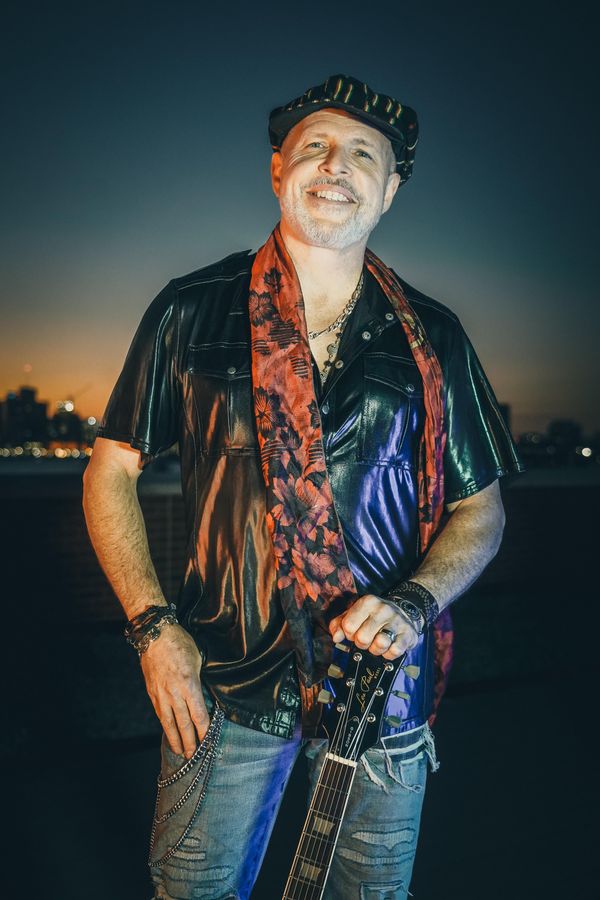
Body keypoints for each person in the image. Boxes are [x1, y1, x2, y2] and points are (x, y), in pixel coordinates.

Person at [83, 73, 523, 900]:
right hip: (222, 683)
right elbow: (110, 470)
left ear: (388, 192)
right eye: (314, 146)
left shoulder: (435, 337)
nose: (336, 165)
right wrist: (152, 629)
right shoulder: (190, 310)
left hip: (382, 691)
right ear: (278, 170)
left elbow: (482, 509)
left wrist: (415, 603)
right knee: (192, 891)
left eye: (363, 155)